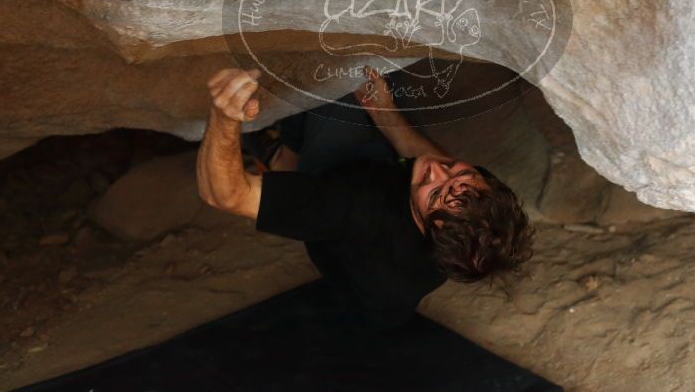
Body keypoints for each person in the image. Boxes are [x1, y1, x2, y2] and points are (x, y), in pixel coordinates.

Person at [196, 66, 534, 332]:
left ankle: (283, 160)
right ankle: (285, 156)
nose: (437, 169)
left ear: (432, 229)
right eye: (460, 173)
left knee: (334, 85)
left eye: (435, 190)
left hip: (341, 204)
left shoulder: (350, 209)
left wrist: (223, 116)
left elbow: (225, 195)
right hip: (377, 197)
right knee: (374, 76)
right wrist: (384, 113)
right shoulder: (472, 209)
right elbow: (440, 178)